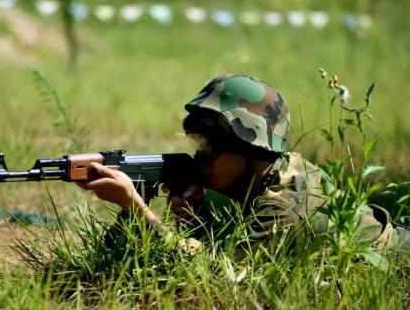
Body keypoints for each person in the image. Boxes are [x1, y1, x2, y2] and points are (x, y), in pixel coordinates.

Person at [77, 74, 409, 252]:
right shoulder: (271, 173)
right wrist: (199, 219)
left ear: (251, 150)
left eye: (211, 148)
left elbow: (212, 276)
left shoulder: (286, 207)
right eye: (198, 145)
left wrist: (136, 208)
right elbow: (226, 246)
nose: (200, 157)